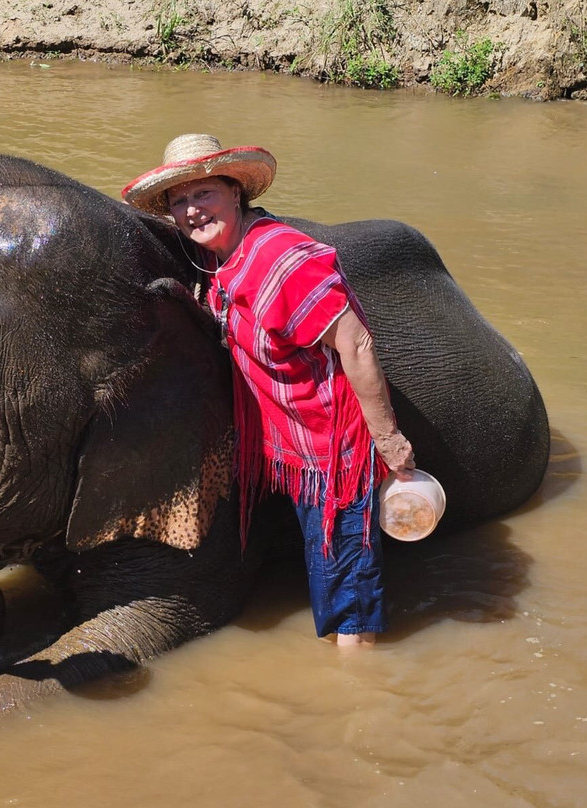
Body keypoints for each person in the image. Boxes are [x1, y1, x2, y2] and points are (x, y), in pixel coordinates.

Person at [122, 134, 416, 648]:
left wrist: (389, 442)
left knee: (347, 590)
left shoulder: (283, 259)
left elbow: (358, 345)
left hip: (333, 448)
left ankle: (364, 696)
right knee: (329, 572)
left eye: (204, 193)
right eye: (179, 200)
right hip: (292, 444)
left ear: (236, 191)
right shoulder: (218, 259)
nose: (192, 210)